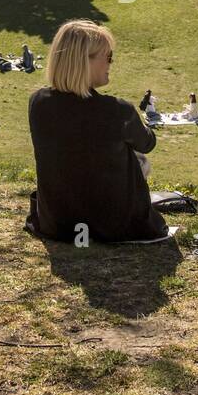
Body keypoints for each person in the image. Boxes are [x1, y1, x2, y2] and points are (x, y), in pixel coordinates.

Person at [25, 19, 168, 243]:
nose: (111, 63)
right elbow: (148, 143)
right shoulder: (118, 111)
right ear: (85, 61)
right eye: (108, 57)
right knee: (137, 158)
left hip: (57, 224)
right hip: (115, 226)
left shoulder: (38, 102)